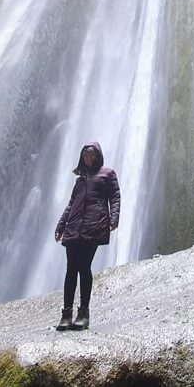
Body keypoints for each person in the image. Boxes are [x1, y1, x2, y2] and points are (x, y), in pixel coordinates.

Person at [54, 142, 120, 331]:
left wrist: (114, 218)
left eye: (91, 154)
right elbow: (71, 204)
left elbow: (115, 196)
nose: (88, 157)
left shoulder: (107, 174)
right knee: (70, 270)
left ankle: (83, 314)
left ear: (98, 155)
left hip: (94, 227)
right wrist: (60, 225)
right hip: (74, 228)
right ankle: (66, 315)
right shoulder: (80, 179)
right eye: (85, 154)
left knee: (84, 267)